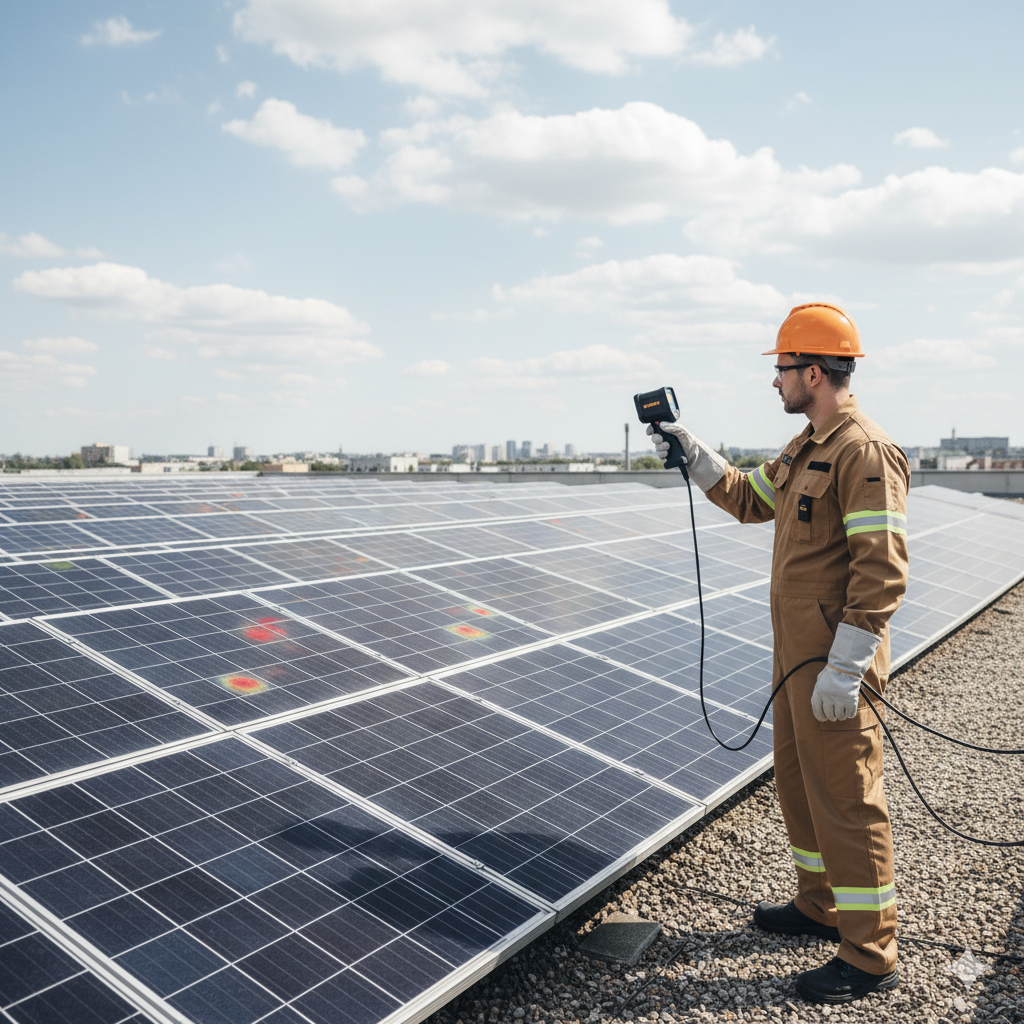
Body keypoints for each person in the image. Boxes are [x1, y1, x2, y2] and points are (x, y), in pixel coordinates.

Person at [647, 303, 909, 1005]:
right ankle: (820, 906)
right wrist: (692, 451)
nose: (776, 382)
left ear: (815, 371)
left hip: (833, 666)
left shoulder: (863, 451)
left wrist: (848, 666)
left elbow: (882, 570)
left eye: (784, 369)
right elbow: (748, 499)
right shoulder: (805, 445)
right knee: (799, 786)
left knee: (847, 801)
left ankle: (871, 953)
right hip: (796, 661)